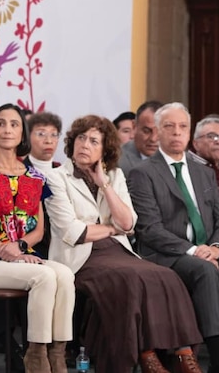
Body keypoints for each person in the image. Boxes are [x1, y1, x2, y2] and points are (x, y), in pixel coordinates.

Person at [44, 115, 203, 373]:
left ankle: (182, 354)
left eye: (93, 140)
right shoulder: (56, 177)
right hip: (81, 256)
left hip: (118, 250)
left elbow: (128, 224)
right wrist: (110, 228)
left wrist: (104, 185)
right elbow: (74, 232)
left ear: (104, 149)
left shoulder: (114, 175)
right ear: (72, 143)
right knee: (130, 280)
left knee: (166, 276)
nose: (85, 144)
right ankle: (145, 354)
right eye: (81, 138)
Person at [128, 102, 219, 373]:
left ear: (189, 134)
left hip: (210, 249)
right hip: (170, 254)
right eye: (169, 127)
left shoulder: (204, 172)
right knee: (205, 271)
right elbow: (149, 229)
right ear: (157, 133)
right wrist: (194, 250)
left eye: (182, 127)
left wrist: (217, 248)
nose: (176, 133)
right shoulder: (143, 173)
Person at [0, 103, 75, 372]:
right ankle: (35, 355)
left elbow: (39, 231)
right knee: (44, 276)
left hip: (23, 259)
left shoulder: (35, 177)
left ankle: (56, 352)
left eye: (14, 124)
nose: (7, 129)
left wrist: (19, 248)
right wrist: (4, 249)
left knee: (65, 274)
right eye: (1, 123)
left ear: (23, 134)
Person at [120, 100, 163, 176]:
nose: (153, 139)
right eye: (147, 131)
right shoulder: (118, 162)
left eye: (159, 132)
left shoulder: (177, 160)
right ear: (134, 126)